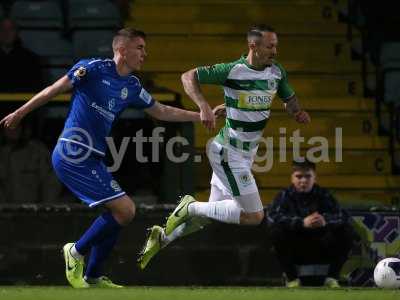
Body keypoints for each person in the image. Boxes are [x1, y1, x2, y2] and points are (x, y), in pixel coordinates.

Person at [0, 28, 212, 288]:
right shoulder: (91, 69)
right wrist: (20, 113)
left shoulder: (132, 86)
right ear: (122, 50)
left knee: (118, 213)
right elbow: (52, 90)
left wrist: (200, 115)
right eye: (140, 48)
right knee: (126, 209)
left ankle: (93, 275)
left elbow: (161, 110)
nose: (145, 54)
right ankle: (75, 252)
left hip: (93, 158)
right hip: (72, 151)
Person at [137, 24, 311, 270]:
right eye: (270, 45)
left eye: (276, 45)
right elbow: (188, 76)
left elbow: (289, 99)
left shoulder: (276, 72)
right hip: (228, 152)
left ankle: (162, 239)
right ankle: (189, 206)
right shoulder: (233, 70)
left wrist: (298, 112)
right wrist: (203, 106)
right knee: (254, 215)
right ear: (254, 45)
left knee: (207, 217)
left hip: (244, 154)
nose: (275, 50)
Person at [267, 160, 358, 288]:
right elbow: (272, 217)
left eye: (308, 176)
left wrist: (325, 221)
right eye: (299, 176)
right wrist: (301, 223)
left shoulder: (324, 194)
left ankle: (332, 278)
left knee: (347, 231)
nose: (303, 180)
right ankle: (292, 279)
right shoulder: (284, 196)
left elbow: (342, 216)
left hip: (322, 245)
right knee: (275, 231)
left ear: (314, 178)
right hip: (295, 246)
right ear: (292, 178)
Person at [0, 119, 62, 204]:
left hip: (32, 212)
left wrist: (44, 210)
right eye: (8, 126)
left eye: (16, 126)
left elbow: (51, 183)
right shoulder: (2, 154)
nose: (13, 130)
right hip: (5, 212)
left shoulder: (38, 151)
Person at [0, 18, 43, 92]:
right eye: (2, 29)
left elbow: (36, 87)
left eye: (11, 29)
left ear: (17, 32)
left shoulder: (31, 59)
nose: (6, 33)